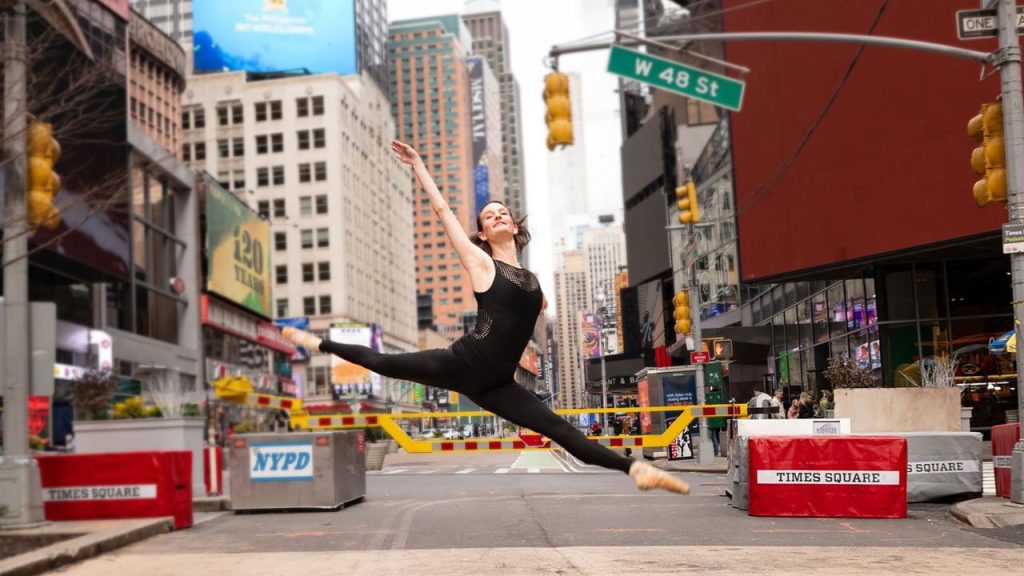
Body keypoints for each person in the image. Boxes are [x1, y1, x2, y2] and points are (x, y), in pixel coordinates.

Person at [282, 140, 688, 495]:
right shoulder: (480, 263)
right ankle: (318, 342)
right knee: (382, 362)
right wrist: (418, 165)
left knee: (561, 431)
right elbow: (442, 210)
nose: (497, 216)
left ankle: (636, 470)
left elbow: (534, 310)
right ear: (480, 233)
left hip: (497, 385)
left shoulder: (531, 279)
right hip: (461, 363)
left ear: (513, 225)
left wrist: (541, 304)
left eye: (503, 212)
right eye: (488, 215)